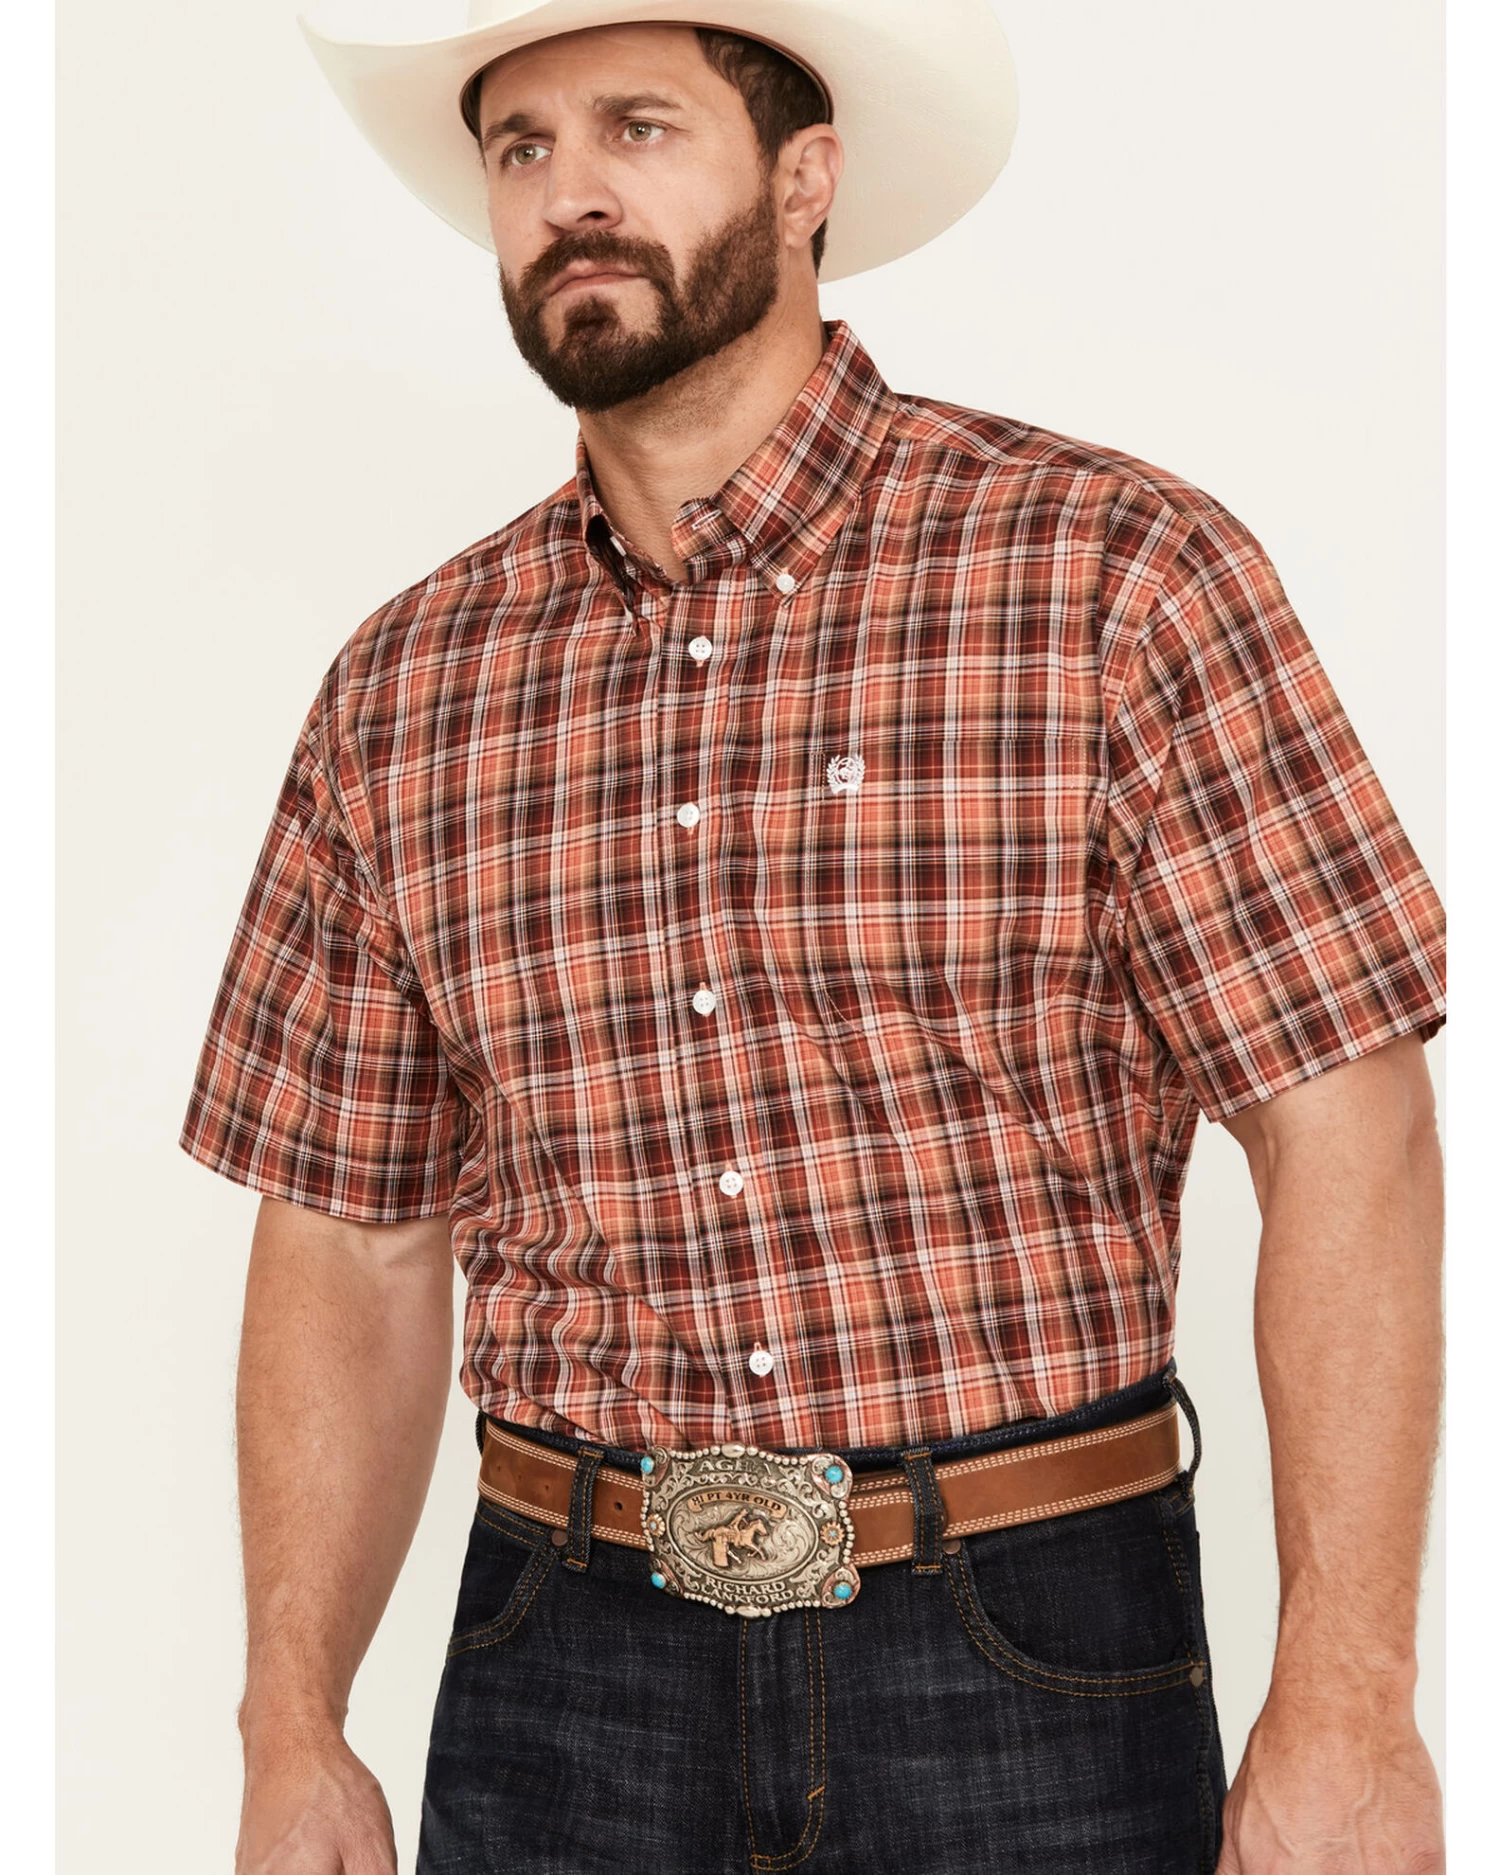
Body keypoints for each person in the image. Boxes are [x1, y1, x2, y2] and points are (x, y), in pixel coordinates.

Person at [179, 4, 1446, 1871]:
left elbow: (1346, 1125)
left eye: (637, 127)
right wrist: (291, 1725)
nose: (568, 192)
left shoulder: (1110, 576)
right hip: (564, 1671)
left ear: (806, 177)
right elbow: (347, 1235)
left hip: (1021, 1653)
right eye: (521, 147)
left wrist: (1350, 1694)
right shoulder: (404, 691)